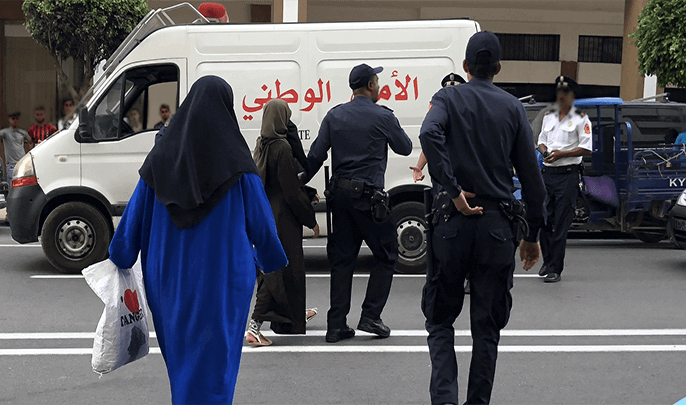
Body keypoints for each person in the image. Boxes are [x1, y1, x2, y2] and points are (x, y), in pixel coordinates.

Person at [107, 76, 287, 405]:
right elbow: (263, 228)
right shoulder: (240, 166)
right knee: (218, 364)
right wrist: (272, 261)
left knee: (182, 362)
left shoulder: (160, 161)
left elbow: (129, 229)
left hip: (169, 283)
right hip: (223, 283)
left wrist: (120, 256)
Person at [419, 31, 545, 405]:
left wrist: (453, 190)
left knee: (440, 320)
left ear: (465, 66)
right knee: (486, 329)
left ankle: (444, 399)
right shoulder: (513, 109)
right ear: (499, 68)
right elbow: (533, 182)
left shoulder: (446, 98)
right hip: (497, 229)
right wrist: (532, 235)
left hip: (452, 225)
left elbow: (428, 133)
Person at [303, 63, 412, 343]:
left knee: (342, 261)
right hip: (370, 200)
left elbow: (315, 156)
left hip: (339, 199)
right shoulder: (383, 116)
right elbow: (405, 147)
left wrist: (298, 181)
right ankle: (371, 315)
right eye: (377, 81)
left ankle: (336, 325)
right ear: (371, 85)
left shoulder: (334, 115)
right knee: (387, 254)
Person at [246, 99, 320, 346]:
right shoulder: (282, 148)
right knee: (278, 271)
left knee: (273, 268)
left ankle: (293, 316)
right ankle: (254, 326)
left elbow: (276, 182)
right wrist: (310, 219)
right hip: (283, 218)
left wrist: (307, 191)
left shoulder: (261, 145)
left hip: (265, 214)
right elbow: (290, 191)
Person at [537, 75, 592, 283]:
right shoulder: (548, 116)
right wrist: (545, 152)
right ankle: (547, 260)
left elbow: (586, 148)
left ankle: (555, 269)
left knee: (561, 223)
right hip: (548, 174)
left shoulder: (581, 118)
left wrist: (562, 154)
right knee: (544, 219)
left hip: (568, 175)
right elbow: (541, 141)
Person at [410, 73, 466, 183]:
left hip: (457, 173)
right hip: (446, 174)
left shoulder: (466, 115)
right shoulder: (440, 117)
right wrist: (419, 166)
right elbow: (431, 142)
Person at [0, 112, 32, 184]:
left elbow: (30, 141)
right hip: (11, 165)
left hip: (22, 163)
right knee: (12, 185)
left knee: (23, 184)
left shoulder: (22, 132)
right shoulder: (5, 132)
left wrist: (29, 154)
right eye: (13, 119)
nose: (15, 120)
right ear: (9, 120)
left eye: (17, 119)